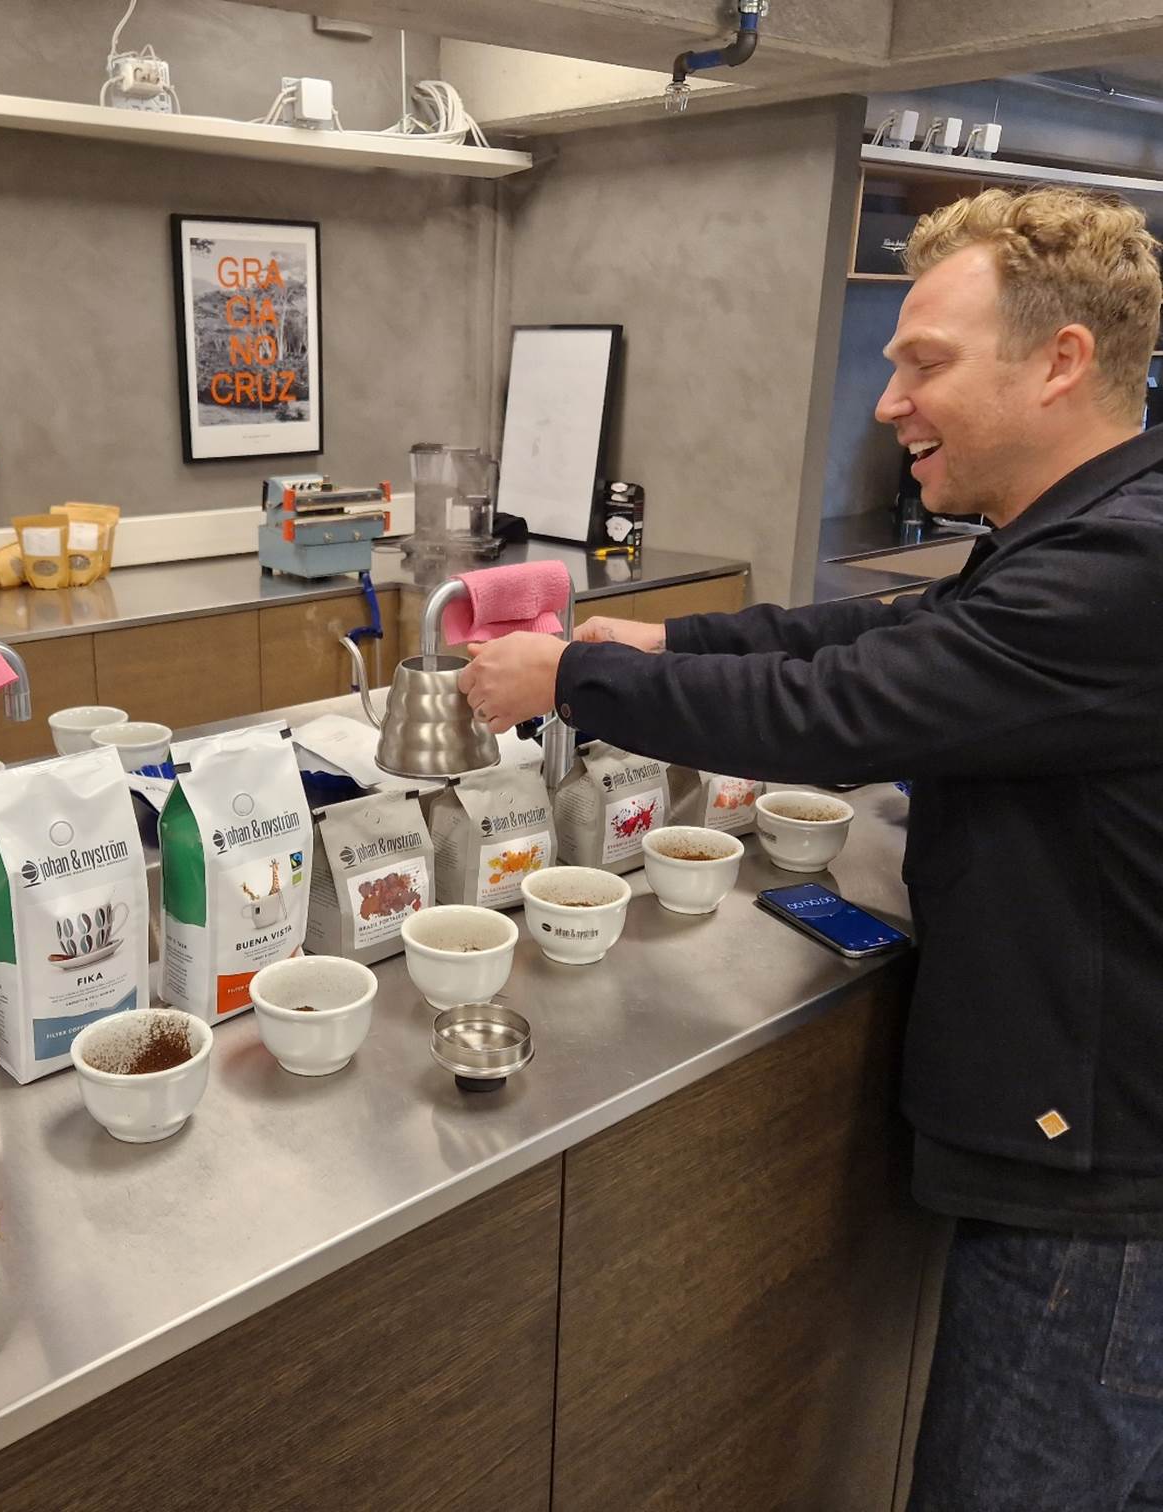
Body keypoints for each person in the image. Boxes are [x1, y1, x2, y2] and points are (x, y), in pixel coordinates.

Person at [459, 185, 1163, 1509]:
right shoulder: (1074, 535)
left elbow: (841, 710)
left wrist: (570, 679)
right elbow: (878, 641)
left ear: (1062, 360)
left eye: (925, 363)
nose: (890, 400)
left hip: (1106, 1191)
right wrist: (669, 639)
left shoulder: (1127, 566)